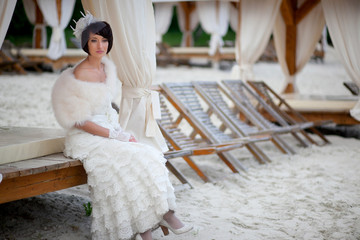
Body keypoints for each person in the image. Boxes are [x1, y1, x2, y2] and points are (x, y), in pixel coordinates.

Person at [51, 12, 192, 240]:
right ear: (85, 42)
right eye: (94, 40)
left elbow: (107, 110)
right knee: (125, 164)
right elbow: (80, 120)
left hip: (109, 131)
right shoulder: (79, 73)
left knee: (148, 154)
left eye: (104, 40)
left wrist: (120, 132)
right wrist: (113, 136)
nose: (100, 45)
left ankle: (158, 219)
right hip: (85, 136)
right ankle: (148, 228)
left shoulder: (107, 68)